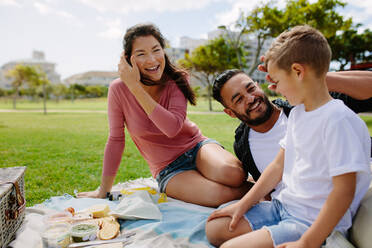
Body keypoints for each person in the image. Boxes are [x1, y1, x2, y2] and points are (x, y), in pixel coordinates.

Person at [206, 25, 372, 247]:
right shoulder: (299, 114)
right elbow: (277, 166)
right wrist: (243, 204)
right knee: (214, 229)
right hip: (284, 207)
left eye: (278, 81)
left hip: (309, 222)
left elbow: (344, 191)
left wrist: (306, 242)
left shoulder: (337, 119)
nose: (275, 89)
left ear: (298, 71)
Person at [77, 23, 250, 207]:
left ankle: (266, 187)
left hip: (197, 147)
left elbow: (172, 127)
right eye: (141, 54)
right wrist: (103, 190)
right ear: (128, 60)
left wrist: (135, 88)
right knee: (217, 195)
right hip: (169, 169)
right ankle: (267, 190)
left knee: (234, 174)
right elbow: (116, 139)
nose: (152, 60)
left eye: (156, 50)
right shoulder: (118, 89)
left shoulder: (176, 80)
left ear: (163, 51)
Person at [212, 62, 372, 195]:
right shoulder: (243, 145)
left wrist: (311, 80)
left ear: (258, 85)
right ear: (230, 113)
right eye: (239, 99)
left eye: (251, 89)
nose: (251, 98)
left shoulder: (306, 104)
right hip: (301, 217)